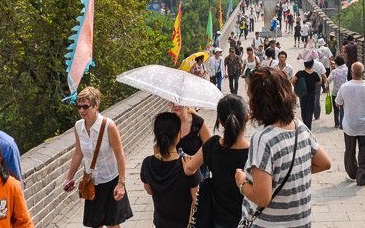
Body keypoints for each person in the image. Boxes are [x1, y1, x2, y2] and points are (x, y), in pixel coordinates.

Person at [234, 68, 331, 227]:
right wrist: (292, 174)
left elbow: (262, 198)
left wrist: (241, 183)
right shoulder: (299, 127)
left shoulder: (263, 139)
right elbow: (324, 163)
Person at [63, 87, 133, 227]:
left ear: (96, 106)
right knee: (95, 224)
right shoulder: (78, 127)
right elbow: (78, 153)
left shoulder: (108, 126)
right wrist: (68, 178)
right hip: (92, 182)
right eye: (79, 107)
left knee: (112, 224)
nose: (81, 110)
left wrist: (121, 183)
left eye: (85, 106)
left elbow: (120, 155)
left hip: (110, 180)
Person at [182, 95, 250, 228]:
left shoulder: (212, 144)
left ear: (219, 120)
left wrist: (186, 163)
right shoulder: (254, 151)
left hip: (220, 218)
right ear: (247, 118)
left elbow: (189, 169)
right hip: (246, 220)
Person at [141, 112, 202, 228]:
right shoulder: (188, 166)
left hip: (160, 223)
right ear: (178, 135)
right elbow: (197, 201)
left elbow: (149, 190)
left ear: (156, 135)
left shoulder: (147, 163)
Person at [335, 62, 365, 186]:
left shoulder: (344, 87)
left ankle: (352, 172)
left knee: (350, 151)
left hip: (350, 125)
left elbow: (338, 103)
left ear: (351, 73)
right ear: (363, 73)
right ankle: (362, 177)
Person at [292, 60, 322, 129]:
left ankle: (305, 125)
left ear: (304, 64)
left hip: (302, 95)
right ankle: (308, 127)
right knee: (310, 112)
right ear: (312, 65)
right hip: (311, 95)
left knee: (304, 110)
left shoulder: (300, 73)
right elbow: (319, 82)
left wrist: (297, 88)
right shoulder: (315, 74)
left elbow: (292, 81)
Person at [328, 56, 348, 129]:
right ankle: (344, 123)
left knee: (336, 109)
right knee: (344, 108)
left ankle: (337, 123)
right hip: (346, 92)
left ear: (336, 63)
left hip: (336, 92)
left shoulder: (334, 72)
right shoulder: (347, 69)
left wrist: (326, 86)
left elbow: (328, 80)